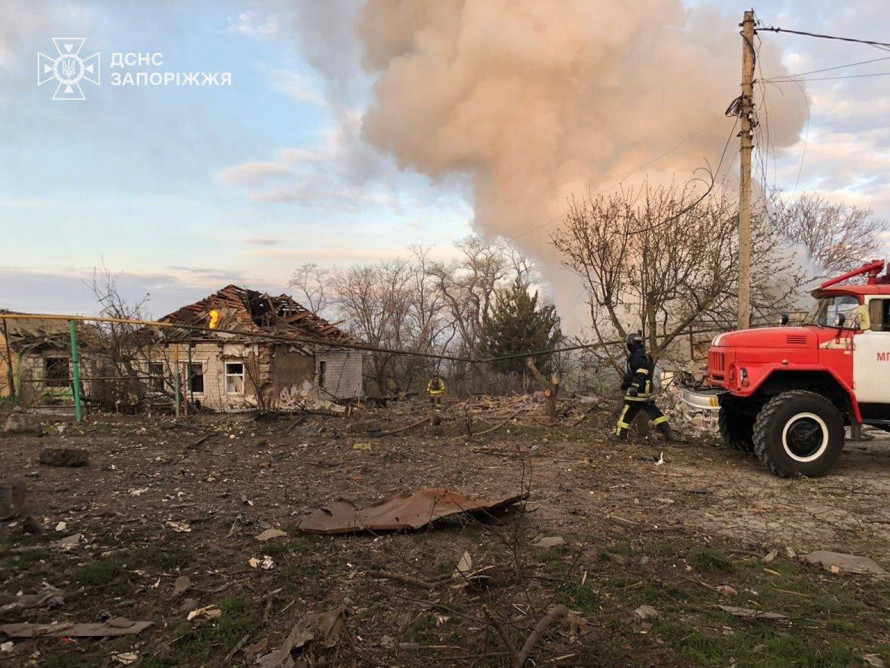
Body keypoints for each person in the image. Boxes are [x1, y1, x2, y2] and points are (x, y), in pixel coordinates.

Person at [613, 333, 676, 442]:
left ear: (630, 345)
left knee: (626, 414)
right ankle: (669, 434)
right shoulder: (645, 355)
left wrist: (634, 386)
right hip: (646, 392)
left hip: (637, 392)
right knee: (656, 414)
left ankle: (619, 436)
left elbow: (640, 372)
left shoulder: (637, 356)